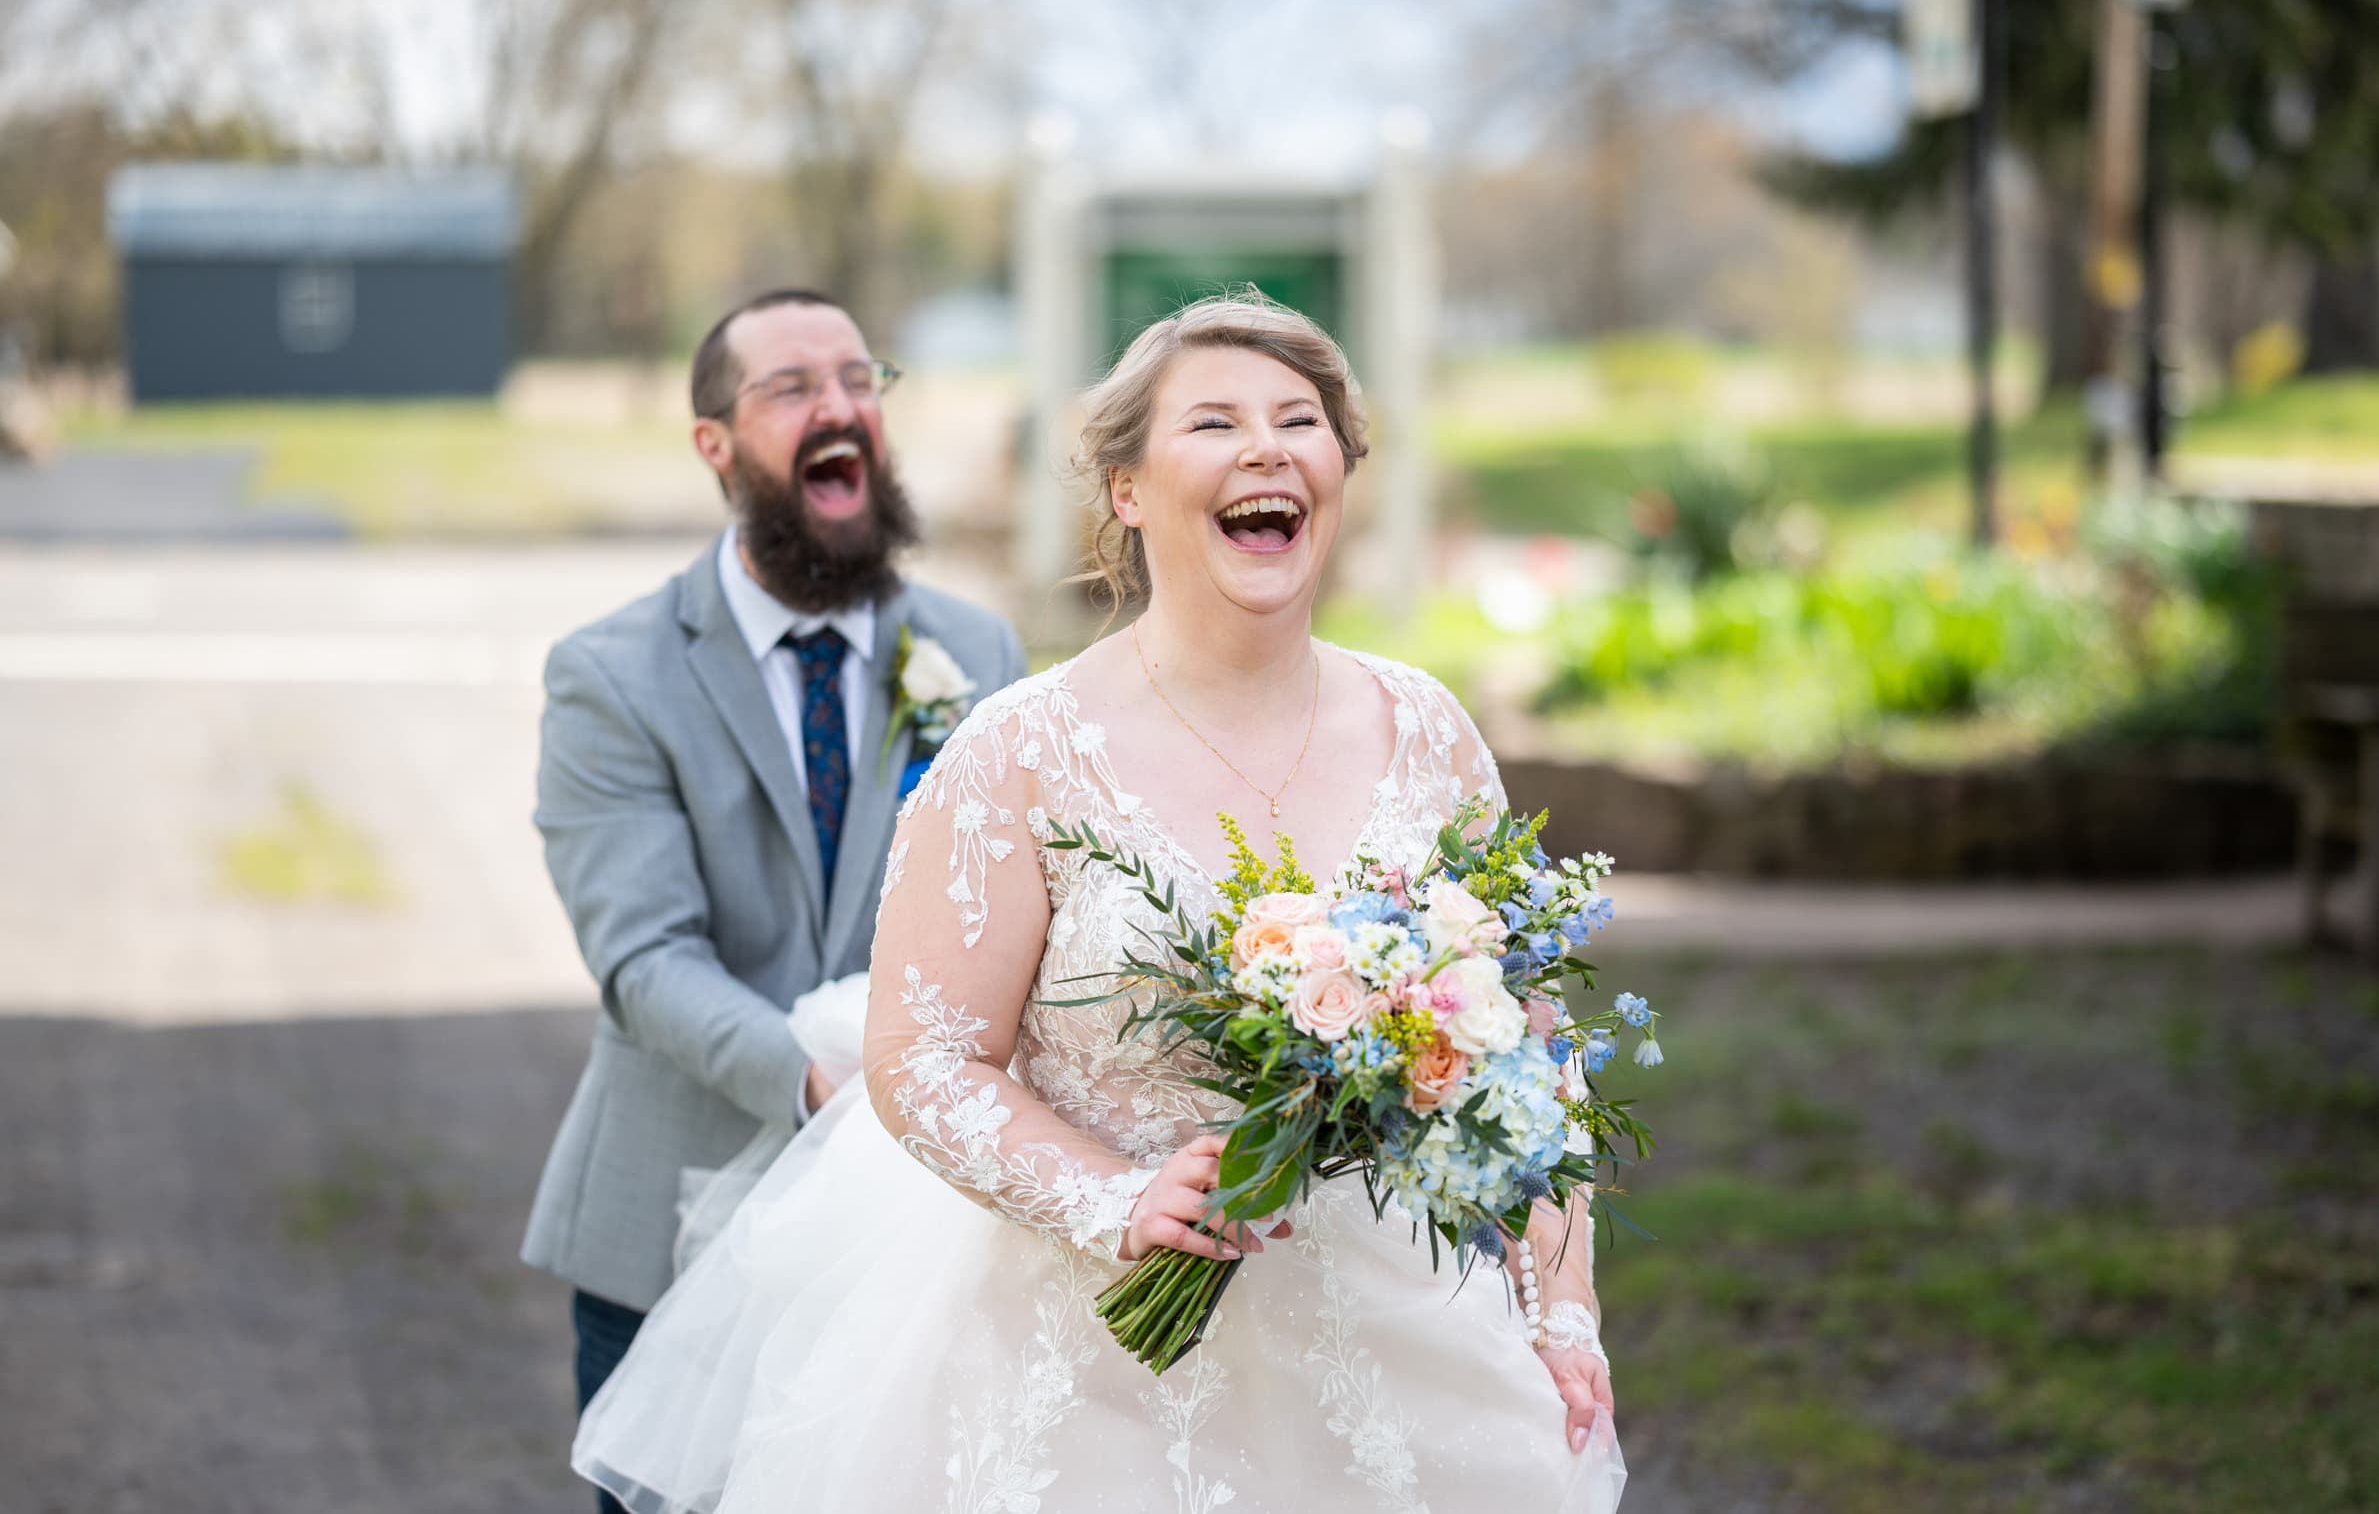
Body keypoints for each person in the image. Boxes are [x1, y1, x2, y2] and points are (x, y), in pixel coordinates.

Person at [573, 291, 1627, 1512]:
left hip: (1394, 1361)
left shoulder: (1428, 729)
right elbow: (922, 1059)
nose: (1266, 448)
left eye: (1301, 419)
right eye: (1215, 422)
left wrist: (1562, 1304)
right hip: (1091, 1379)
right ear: (1125, 489)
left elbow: (1530, 1053)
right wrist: (1113, 1195)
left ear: (1340, 469)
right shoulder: (1022, 750)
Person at [521, 288, 1027, 1513]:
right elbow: (643, 959)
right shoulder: (613, 675)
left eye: (859, 378)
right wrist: (830, 1085)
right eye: (793, 387)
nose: (840, 406)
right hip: (675, 1222)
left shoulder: (982, 654)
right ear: (715, 443)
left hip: (916, 1238)